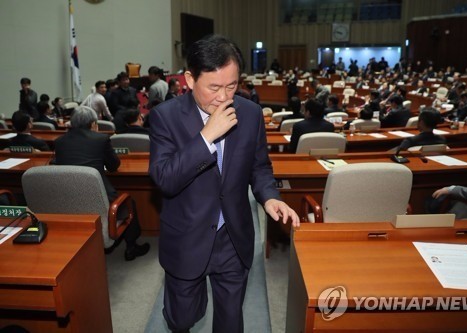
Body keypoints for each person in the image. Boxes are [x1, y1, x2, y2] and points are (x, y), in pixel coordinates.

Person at [148, 34, 299, 333]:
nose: (223, 97)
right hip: (187, 236)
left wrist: (269, 197)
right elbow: (164, 178)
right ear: (190, 79)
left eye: (232, 86)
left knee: (231, 320)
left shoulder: (251, 113)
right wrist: (206, 137)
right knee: (181, 319)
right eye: (214, 87)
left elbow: (259, 167)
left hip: (233, 235)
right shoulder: (164, 117)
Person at [53, 106, 150, 260]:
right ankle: (131, 246)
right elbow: (113, 165)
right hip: (98, 199)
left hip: (68, 200)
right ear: (93, 124)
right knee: (130, 202)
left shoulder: (59, 142)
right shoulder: (100, 139)